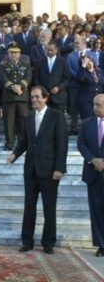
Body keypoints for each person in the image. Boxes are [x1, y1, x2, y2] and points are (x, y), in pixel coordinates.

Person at [7, 85, 68, 254]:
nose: (34, 100)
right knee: (29, 207)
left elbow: (62, 145)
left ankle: (48, 243)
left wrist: (59, 168)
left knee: (49, 208)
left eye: (37, 97)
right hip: (31, 170)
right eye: (32, 97)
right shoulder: (27, 118)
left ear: (45, 98)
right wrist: (14, 155)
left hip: (49, 171)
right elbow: (24, 143)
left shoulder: (57, 117)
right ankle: (27, 241)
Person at [78, 94, 104, 257]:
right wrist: (92, 159)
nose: (95, 108)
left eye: (99, 105)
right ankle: (101, 244)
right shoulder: (87, 123)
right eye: (94, 104)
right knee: (96, 210)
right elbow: (81, 143)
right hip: (93, 174)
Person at [0, 42, 32, 151]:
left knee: (23, 121)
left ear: (20, 53)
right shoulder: (3, 65)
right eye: (11, 52)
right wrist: (13, 87)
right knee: (9, 122)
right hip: (9, 97)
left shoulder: (26, 64)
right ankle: (9, 143)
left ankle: (23, 143)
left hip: (22, 97)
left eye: (16, 52)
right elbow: (2, 78)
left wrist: (20, 87)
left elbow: (28, 77)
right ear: (8, 53)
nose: (13, 55)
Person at [34, 41, 69, 113]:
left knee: (59, 120)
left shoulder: (63, 62)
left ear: (56, 50)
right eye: (47, 50)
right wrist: (42, 90)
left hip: (58, 97)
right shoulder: (39, 62)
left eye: (51, 50)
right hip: (44, 98)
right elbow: (36, 78)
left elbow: (67, 78)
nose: (49, 52)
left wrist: (58, 88)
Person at [77, 55, 104, 120]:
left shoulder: (100, 71)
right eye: (86, 62)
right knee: (88, 119)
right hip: (86, 100)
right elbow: (80, 78)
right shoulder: (82, 72)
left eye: (89, 61)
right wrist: (83, 65)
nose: (88, 63)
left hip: (99, 99)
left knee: (99, 119)